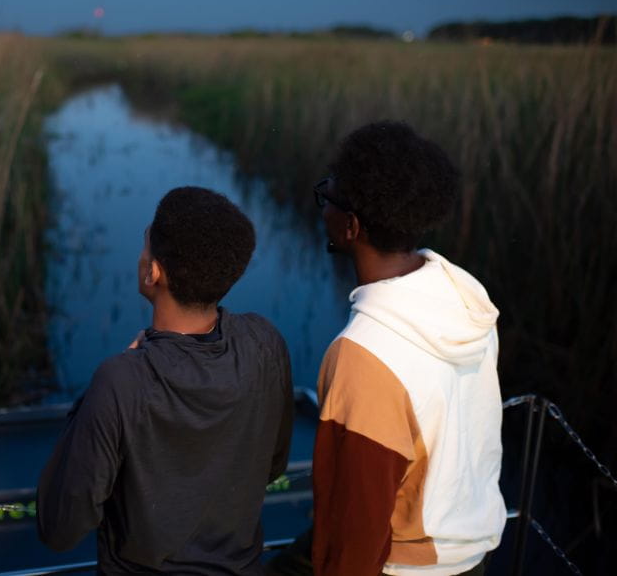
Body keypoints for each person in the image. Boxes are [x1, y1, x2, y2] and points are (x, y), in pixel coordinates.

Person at [272, 122, 505, 576]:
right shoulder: (463, 294)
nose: (323, 210)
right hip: (470, 545)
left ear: (352, 226)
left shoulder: (363, 354)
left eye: (329, 199)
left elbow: (355, 531)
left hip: (406, 563)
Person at [37, 186, 294, 574]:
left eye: (145, 246)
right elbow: (271, 466)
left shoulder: (121, 381)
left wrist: (109, 384)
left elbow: (60, 527)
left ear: (152, 272)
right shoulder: (265, 343)